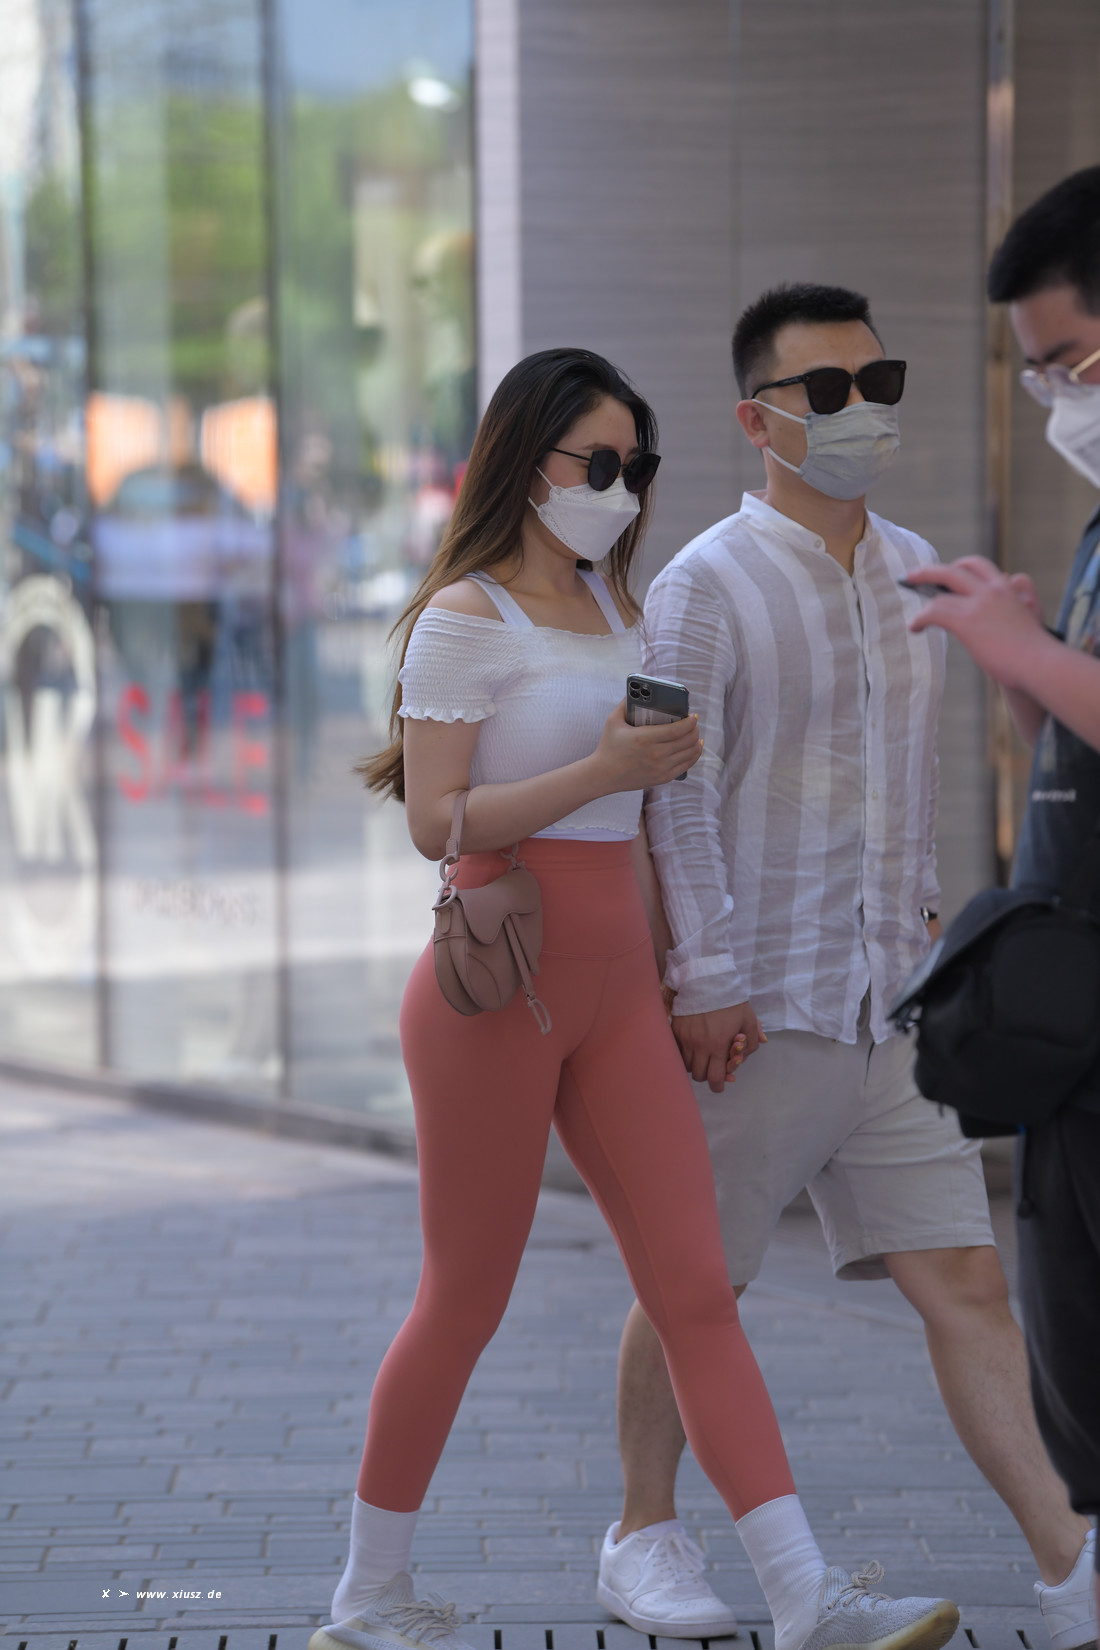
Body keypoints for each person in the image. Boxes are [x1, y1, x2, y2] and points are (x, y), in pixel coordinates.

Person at [309, 347, 958, 1650]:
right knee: (465, 1297)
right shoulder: (466, 615)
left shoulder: (620, 602)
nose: (619, 486)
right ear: (524, 461)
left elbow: (653, 820)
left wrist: (688, 971)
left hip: (619, 990)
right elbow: (436, 819)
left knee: (696, 1287)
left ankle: (803, 1592)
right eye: (596, 462)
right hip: (500, 983)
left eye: (636, 464)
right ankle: (368, 1593)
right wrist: (602, 768)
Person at [596, 286, 1097, 1650]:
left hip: (893, 1002)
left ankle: (1073, 1571)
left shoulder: (914, 565)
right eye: (825, 392)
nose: (861, 410)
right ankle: (642, 1535)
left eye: (879, 382)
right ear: (756, 420)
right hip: (757, 1003)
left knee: (966, 1281)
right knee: (696, 1284)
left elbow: (910, 789)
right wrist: (702, 973)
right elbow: (670, 796)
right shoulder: (701, 586)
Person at [905, 165, 1100, 1639]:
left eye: (1072, 365)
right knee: (1075, 1348)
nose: (1056, 403)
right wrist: (1027, 663)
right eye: (1039, 377)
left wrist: (1025, 653)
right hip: (1073, 1025)